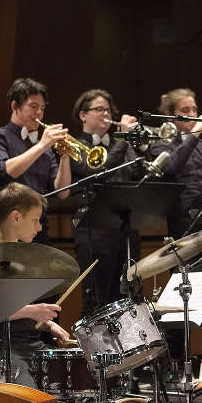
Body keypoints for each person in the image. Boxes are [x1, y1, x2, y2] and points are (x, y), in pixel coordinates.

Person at [148, 88, 202, 365]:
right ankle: (179, 365)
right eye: (186, 110)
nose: (193, 114)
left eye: (195, 109)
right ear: (171, 115)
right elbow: (172, 166)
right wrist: (196, 133)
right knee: (180, 298)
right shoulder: (163, 142)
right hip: (183, 227)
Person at [0, 183, 70, 388]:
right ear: (16, 217)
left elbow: (19, 313)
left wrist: (48, 324)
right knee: (33, 401)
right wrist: (33, 311)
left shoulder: (23, 260)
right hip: (2, 351)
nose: (39, 228)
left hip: (30, 345)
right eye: (36, 220)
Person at [70, 88, 142, 313]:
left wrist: (140, 145)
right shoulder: (74, 145)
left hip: (126, 231)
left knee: (126, 304)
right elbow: (96, 172)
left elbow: (139, 175)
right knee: (96, 303)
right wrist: (122, 139)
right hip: (94, 231)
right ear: (83, 115)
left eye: (108, 110)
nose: (105, 114)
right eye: (99, 109)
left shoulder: (123, 145)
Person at [0, 78, 72, 242]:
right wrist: (43, 145)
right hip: (6, 230)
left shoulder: (44, 147)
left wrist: (65, 155)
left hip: (38, 229)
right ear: (15, 106)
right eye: (33, 106)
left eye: (42, 108)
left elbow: (63, 192)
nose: (39, 113)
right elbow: (6, 170)